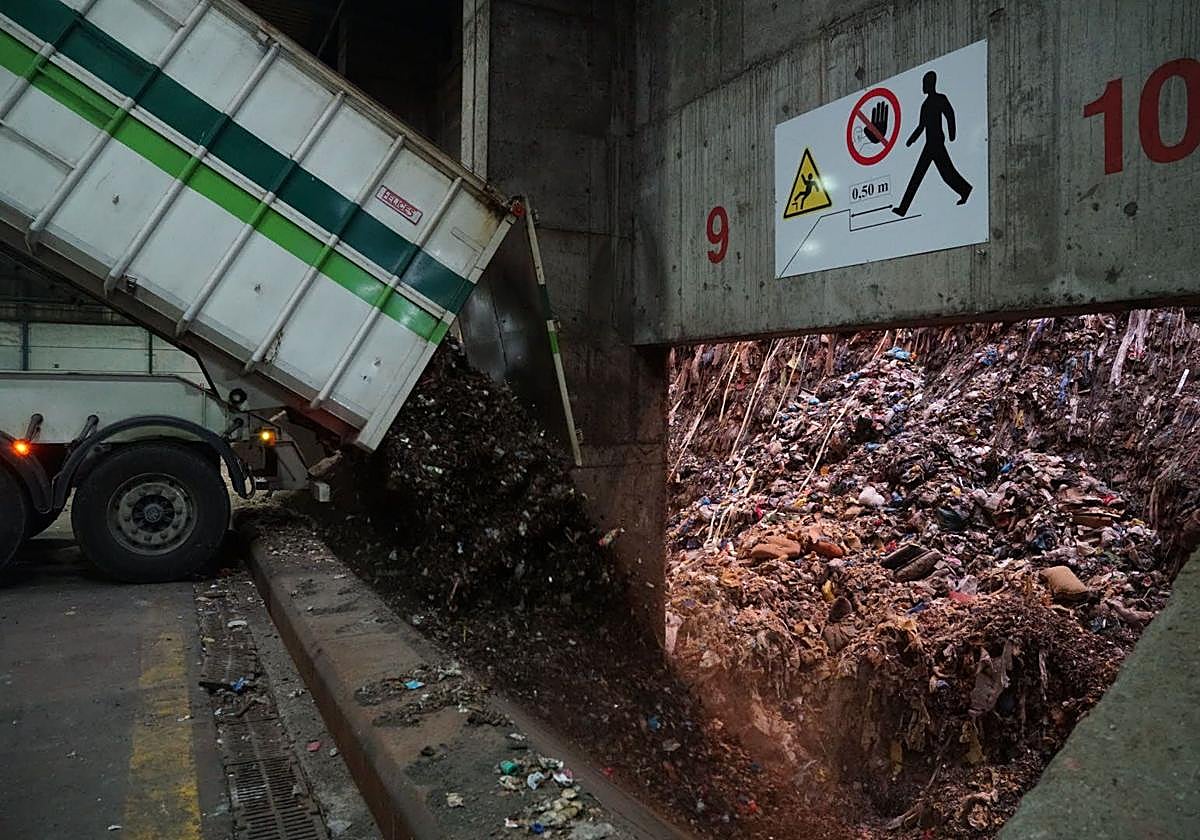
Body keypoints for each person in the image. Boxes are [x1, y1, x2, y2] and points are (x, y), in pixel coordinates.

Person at [892, 70, 972, 216]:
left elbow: (950, 114)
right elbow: (921, 126)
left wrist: (952, 134)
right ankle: (903, 209)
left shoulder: (940, 99)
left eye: (925, 83)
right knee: (923, 174)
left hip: (937, 142)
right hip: (930, 144)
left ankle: (965, 190)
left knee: (945, 174)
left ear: (930, 84)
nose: (923, 86)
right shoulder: (925, 104)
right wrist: (911, 139)